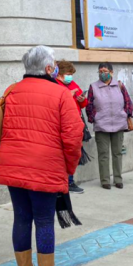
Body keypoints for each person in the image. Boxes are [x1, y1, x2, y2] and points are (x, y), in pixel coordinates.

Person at [0, 46, 84, 266]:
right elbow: (73, 136)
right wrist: (69, 167)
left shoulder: (11, 91)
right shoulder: (61, 93)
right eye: (54, 64)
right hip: (45, 167)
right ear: (48, 68)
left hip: (14, 166)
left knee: (21, 220)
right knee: (44, 222)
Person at [86, 62, 133, 189]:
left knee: (117, 153)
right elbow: (89, 104)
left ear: (111, 72)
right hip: (102, 124)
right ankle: (105, 181)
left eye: (105, 71)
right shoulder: (93, 86)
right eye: (100, 71)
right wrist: (94, 117)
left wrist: (125, 114)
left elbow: (128, 102)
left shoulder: (119, 85)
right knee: (103, 154)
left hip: (119, 123)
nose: (103, 73)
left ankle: (118, 179)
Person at [56, 60, 87, 194]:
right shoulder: (55, 85)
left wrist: (82, 99)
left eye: (71, 74)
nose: (70, 77)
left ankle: (70, 181)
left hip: (75, 123)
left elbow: (83, 104)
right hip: (63, 124)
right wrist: (69, 95)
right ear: (60, 74)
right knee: (63, 155)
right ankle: (66, 182)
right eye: (68, 74)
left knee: (72, 153)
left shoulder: (73, 84)